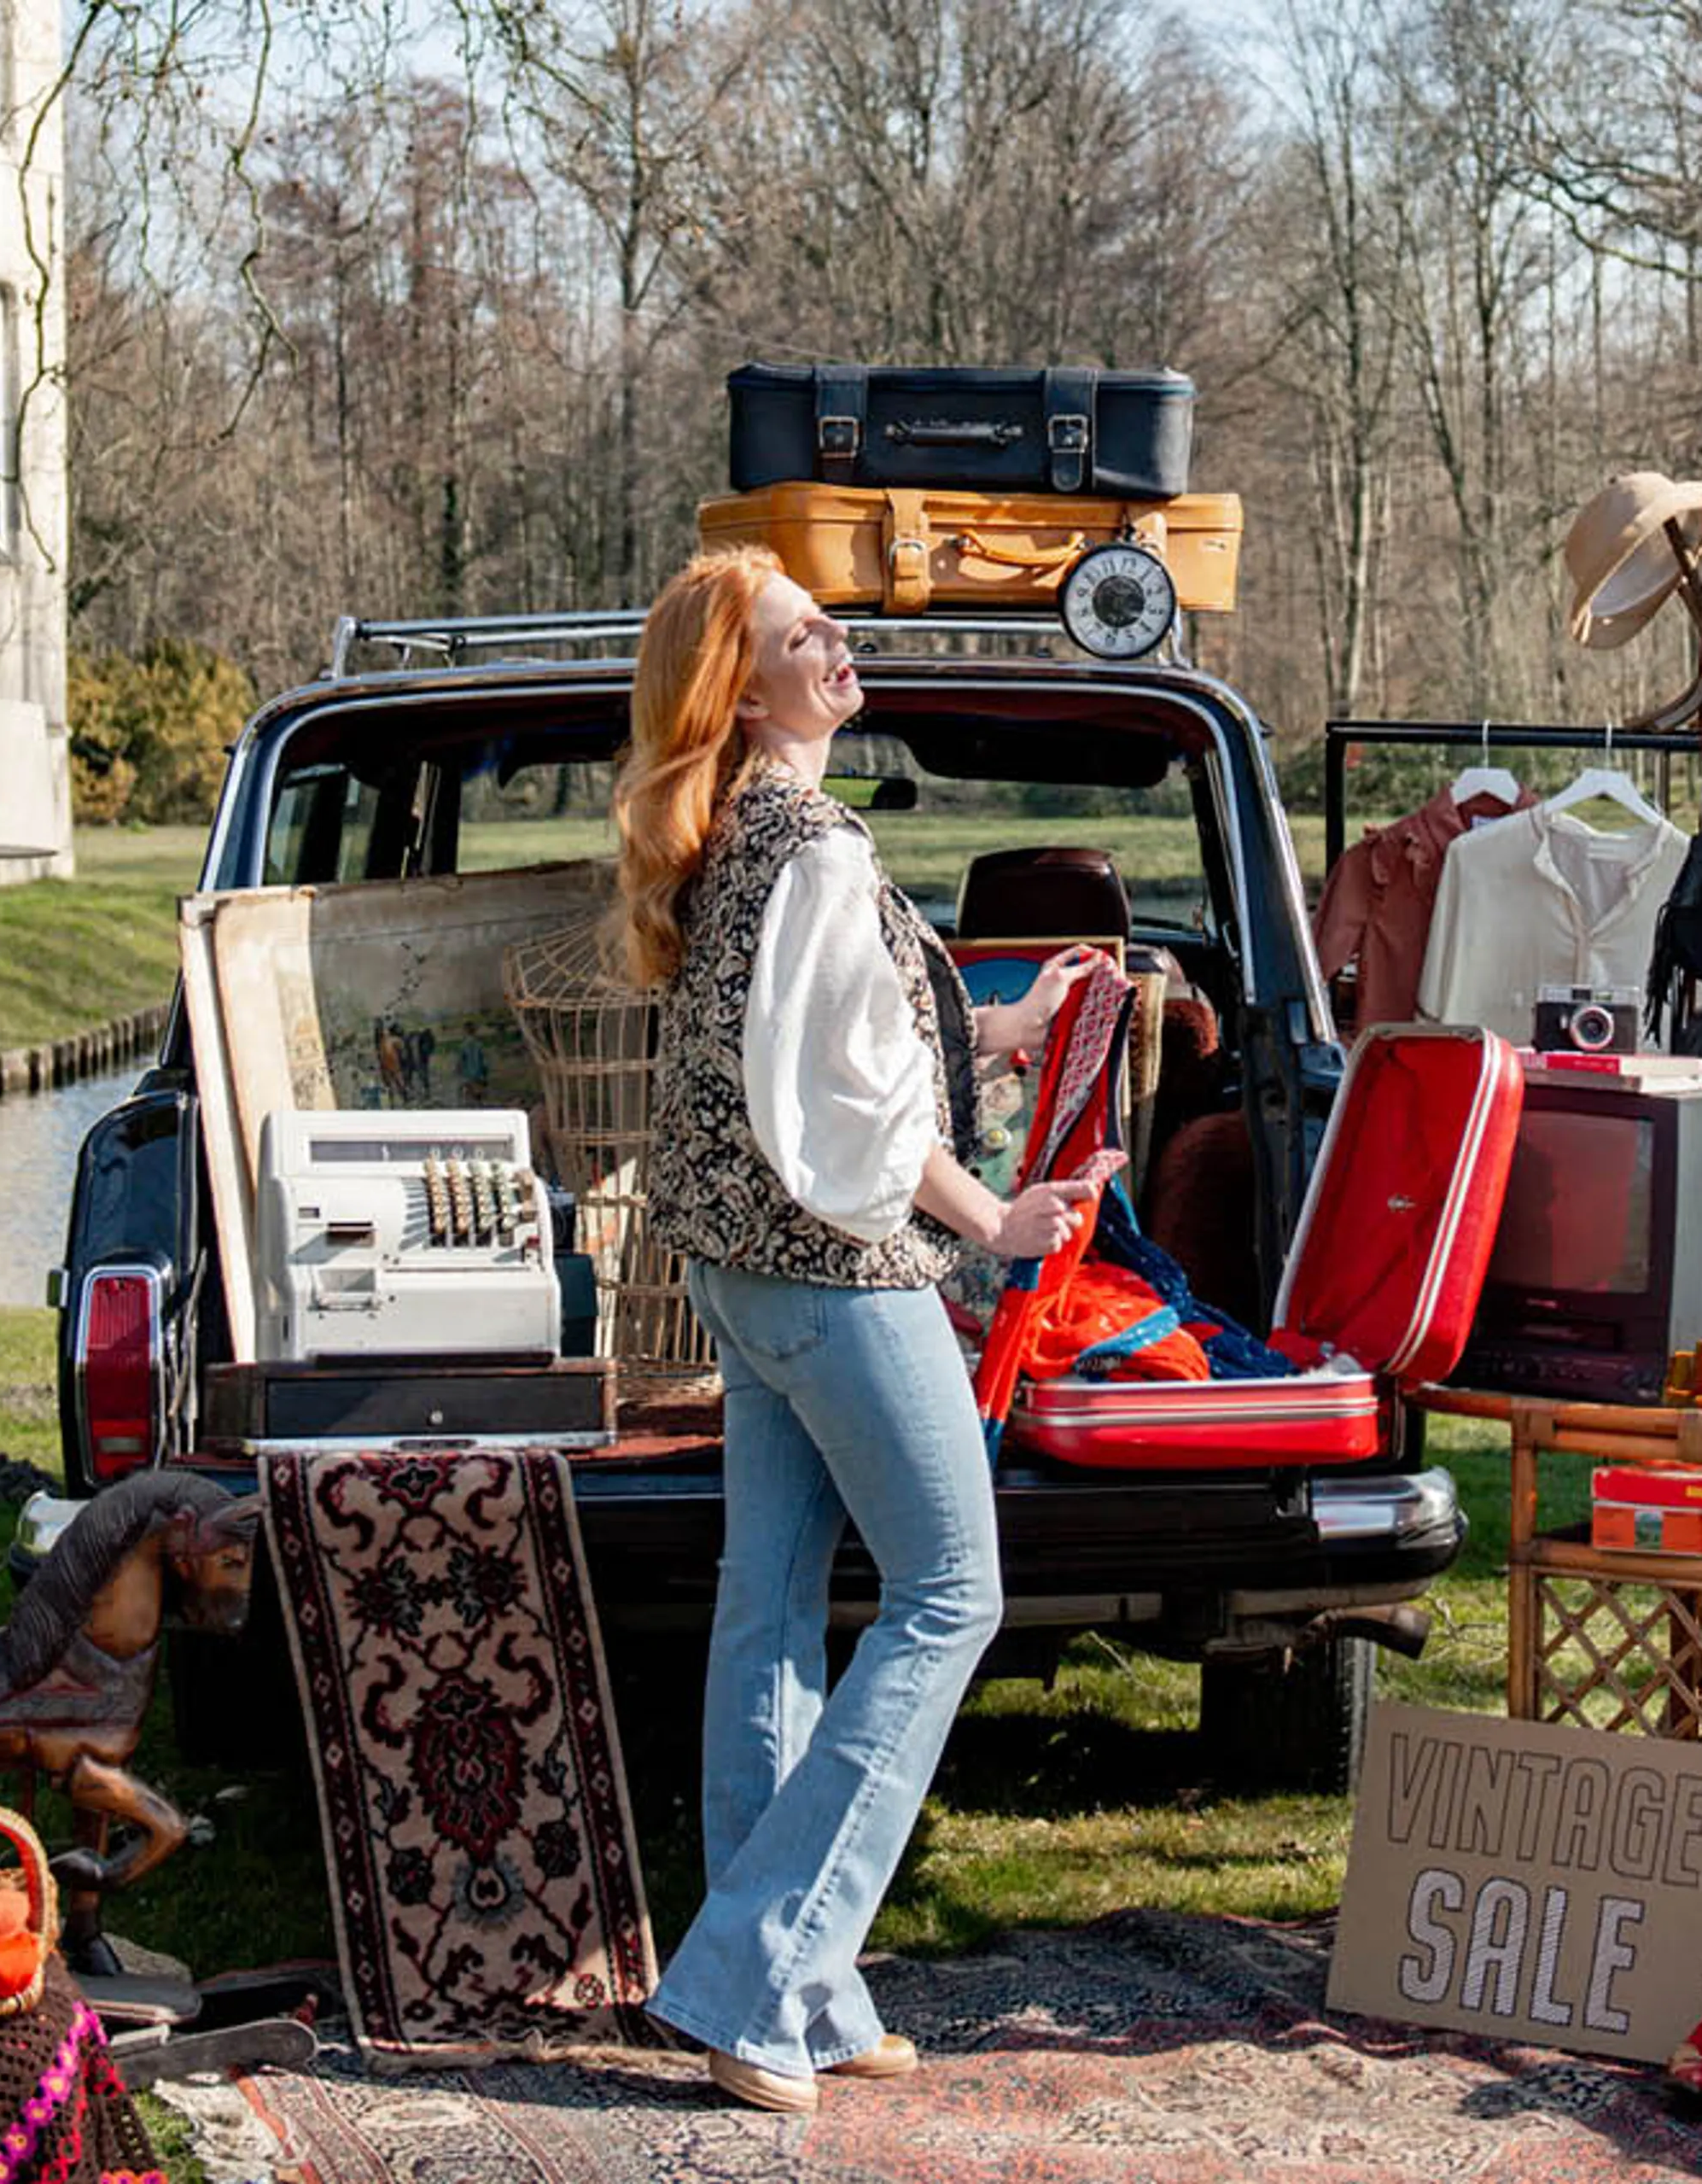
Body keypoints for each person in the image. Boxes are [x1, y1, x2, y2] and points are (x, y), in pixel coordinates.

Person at [610, 545, 1115, 2114]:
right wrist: (997, 1221)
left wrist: (1001, 1022)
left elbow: (845, 1031)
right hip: (834, 1273)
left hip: (738, 1280)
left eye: (827, 626)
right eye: (798, 634)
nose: (836, 644)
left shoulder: (738, 838)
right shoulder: (812, 844)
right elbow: (855, 1103)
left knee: (766, 1610)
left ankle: (798, 1992)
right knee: (952, 1587)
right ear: (740, 686)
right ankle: (755, 1975)